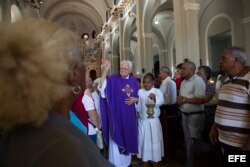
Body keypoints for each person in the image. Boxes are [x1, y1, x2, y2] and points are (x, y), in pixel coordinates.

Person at [0, 17, 113, 167]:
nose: (85, 69)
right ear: (73, 73)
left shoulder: (14, 131)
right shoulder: (68, 146)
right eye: (82, 64)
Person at [209, 47, 250, 153]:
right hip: (224, 140)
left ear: (236, 60)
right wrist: (215, 127)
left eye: (224, 58)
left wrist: (248, 144)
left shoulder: (248, 78)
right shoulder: (227, 81)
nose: (220, 61)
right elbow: (221, 107)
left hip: (241, 144)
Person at [99, 60, 139, 167]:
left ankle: (127, 164)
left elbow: (138, 98)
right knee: (116, 143)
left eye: (126, 68)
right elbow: (102, 87)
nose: (123, 70)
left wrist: (136, 100)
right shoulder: (113, 79)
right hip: (116, 117)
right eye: (121, 68)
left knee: (128, 138)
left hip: (129, 117)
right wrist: (105, 71)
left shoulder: (134, 82)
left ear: (130, 70)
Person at [177, 61, 206, 167]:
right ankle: (190, 163)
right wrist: (180, 100)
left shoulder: (198, 81)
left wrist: (184, 100)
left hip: (195, 116)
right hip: (185, 115)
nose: (181, 70)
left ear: (191, 69)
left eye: (184, 68)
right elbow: (181, 98)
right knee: (188, 142)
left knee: (197, 142)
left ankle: (199, 163)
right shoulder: (184, 82)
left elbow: (200, 100)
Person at [136, 73, 164, 167]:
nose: (146, 84)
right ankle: (145, 161)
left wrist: (155, 98)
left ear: (153, 82)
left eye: (148, 82)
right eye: (144, 82)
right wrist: (136, 103)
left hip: (153, 122)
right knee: (144, 141)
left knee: (154, 141)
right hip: (143, 121)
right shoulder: (140, 92)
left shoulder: (157, 91)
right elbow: (138, 107)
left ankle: (156, 161)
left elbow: (161, 102)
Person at [158, 66, 178, 161]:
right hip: (173, 108)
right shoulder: (172, 81)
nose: (160, 75)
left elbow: (160, 96)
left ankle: (167, 152)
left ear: (164, 73)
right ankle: (172, 151)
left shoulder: (166, 82)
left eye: (161, 73)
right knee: (172, 131)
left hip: (167, 109)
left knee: (167, 131)